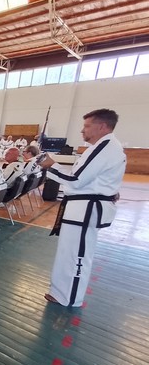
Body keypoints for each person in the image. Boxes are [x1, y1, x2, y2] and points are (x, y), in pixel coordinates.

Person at [39, 108, 126, 307]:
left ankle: (71, 298)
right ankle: (60, 292)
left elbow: (76, 180)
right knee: (68, 253)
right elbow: (82, 177)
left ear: (102, 126)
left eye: (87, 126)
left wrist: (50, 166)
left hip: (86, 209)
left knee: (77, 255)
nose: (82, 130)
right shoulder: (102, 147)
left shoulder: (106, 147)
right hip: (79, 208)